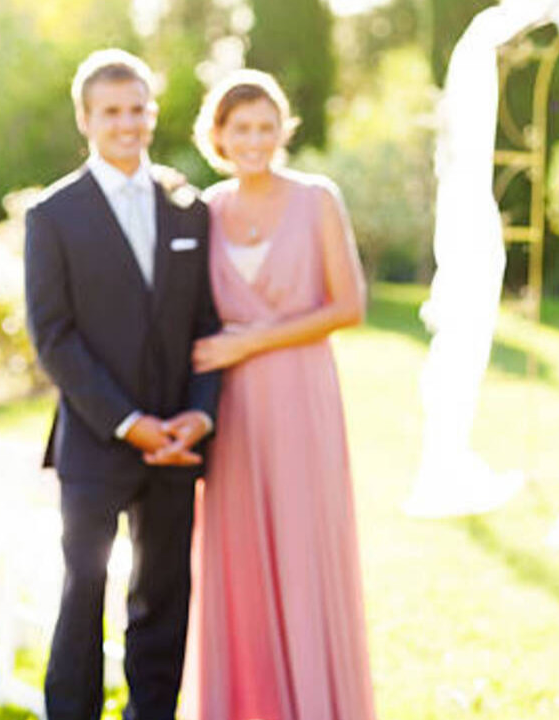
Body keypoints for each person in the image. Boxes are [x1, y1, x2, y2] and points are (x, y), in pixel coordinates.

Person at [24, 48, 221, 720]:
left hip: (177, 443)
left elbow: (207, 323)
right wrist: (128, 422)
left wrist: (198, 414)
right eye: (112, 112)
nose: (127, 124)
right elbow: (54, 338)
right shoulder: (52, 216)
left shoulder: (189, 208)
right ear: (86, 119)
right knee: (83, 592)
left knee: (164, 597)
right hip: (96, 443)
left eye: (138, 109)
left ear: (152, 113)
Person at [181, 69, 375, 720]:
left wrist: (251, 342)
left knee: (302, 548)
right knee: (237, 559)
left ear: (283, 130)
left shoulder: (317, 198)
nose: (255, 140)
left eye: (267, 126)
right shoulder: (205, 211)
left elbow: (349, 306)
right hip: (232, 412)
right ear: (218, 135)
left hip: (301, 400)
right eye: (242, 128)